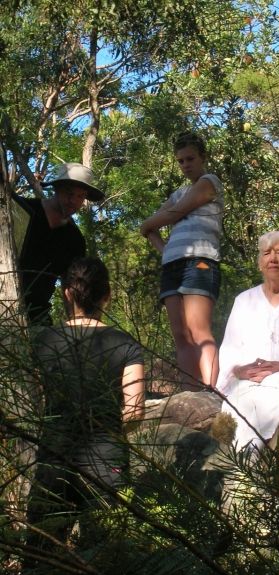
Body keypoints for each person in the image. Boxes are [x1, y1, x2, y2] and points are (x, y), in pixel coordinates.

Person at [28, 257, 145, 545]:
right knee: (106, 554)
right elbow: (135, 411)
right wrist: (109, 430)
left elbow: (39, 398)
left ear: (67, 293)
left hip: (54, 457)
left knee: (42, 554)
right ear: (107, 294)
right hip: (107, 461)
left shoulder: (43, 341)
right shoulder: (126, 344)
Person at [217, 231, 279, 451]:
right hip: (248, 380)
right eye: (266, 253)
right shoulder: (244, 300)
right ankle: (244, 469)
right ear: (260, 263)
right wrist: (240, 370)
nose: (273, 259)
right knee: (241, 402)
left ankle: (255, 463)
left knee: (275, 389)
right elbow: (229, 348)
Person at [140, 132, 224, 389]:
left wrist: (149, 223)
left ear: (203, 158)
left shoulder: (210, 182)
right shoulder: (178, 192)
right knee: (180, 334)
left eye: (190, 159)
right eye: (180, 161)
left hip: (200, 259)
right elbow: (150, 227)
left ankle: (210, 392)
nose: (186, 165)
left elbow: (174, 212)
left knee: (199, 330)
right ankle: (191, 392)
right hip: (172, 264)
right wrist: (164, 249)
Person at [12, 162, 104, 324]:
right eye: (69, 193)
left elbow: (71, 287)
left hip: (36, 315)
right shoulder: (22, 210)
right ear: (56, 189)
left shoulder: (74, 240)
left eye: (80, 196)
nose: (74, 201)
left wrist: (76, 326)